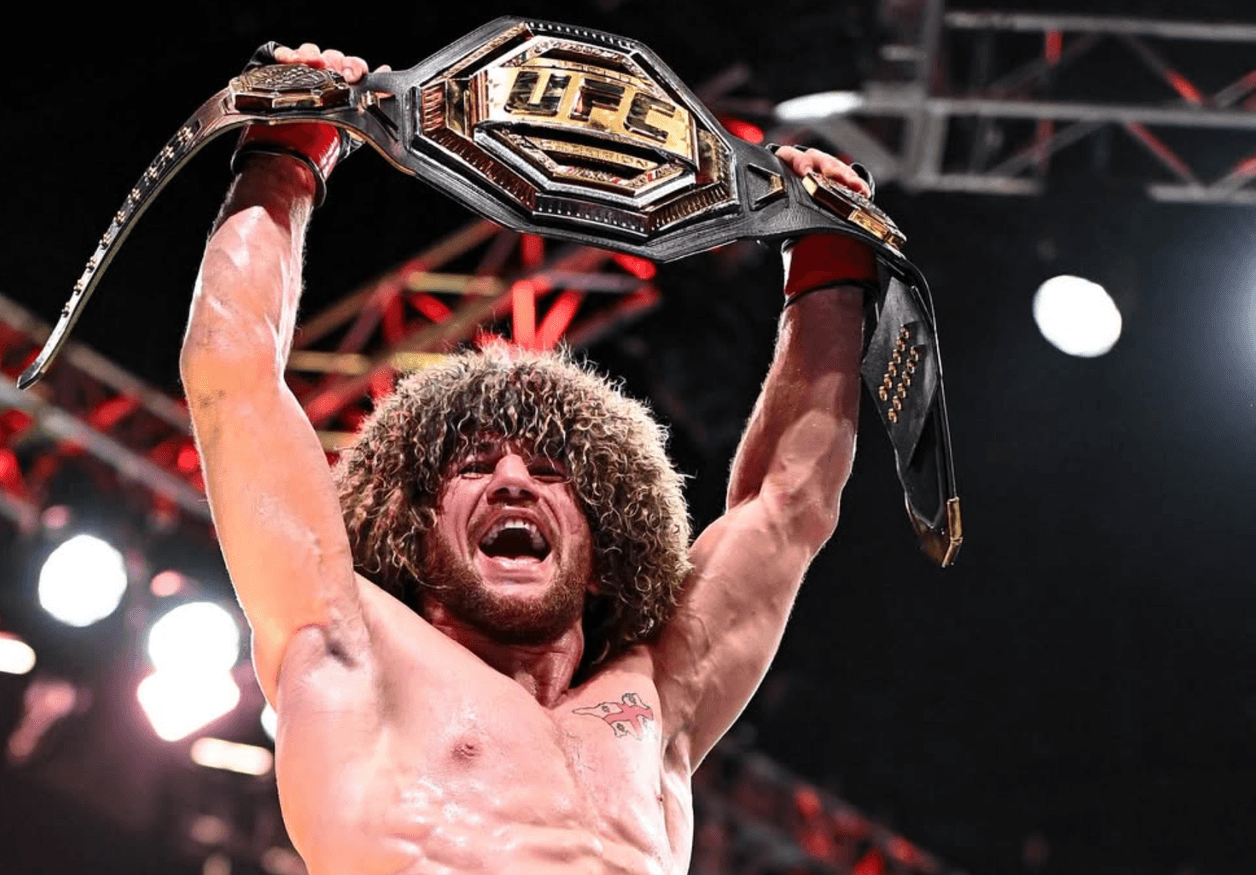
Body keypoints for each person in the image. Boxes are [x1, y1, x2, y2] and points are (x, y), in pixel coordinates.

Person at [181, 43, 876, 875]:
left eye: (552, 475)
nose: (514, 480)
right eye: (474, 467)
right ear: (415, 534)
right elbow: (233, 379)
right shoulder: (350, 643)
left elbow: (788, 503)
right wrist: (286, 154)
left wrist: (828, 265)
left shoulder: (657, 699)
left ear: (604, 551)